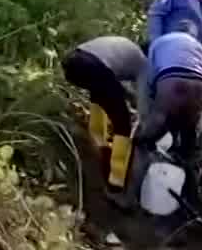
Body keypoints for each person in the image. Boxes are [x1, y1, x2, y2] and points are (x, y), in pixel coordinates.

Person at [123, 27, 202, 208]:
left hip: (171, 85)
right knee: (190, 151)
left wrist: (148, 124)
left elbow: (149, 87)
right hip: (199, 88)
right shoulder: (200, 48)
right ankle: (191, 203)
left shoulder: (156, 45)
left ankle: (129, 199)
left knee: (142, 145)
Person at [61, 35, 147, 192]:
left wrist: (127, 97)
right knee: (123, 125)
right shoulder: (143, 62)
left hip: (72, 61)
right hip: (95, 66)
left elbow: (117, 87)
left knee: (99, 105)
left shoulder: (127, 51)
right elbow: (142, 99)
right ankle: (116, 181)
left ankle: (99, 153)